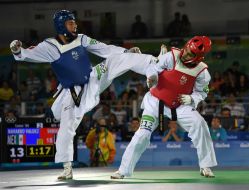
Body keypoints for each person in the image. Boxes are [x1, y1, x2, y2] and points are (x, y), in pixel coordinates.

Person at [10, 10, 155, 180]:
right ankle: (66, 167)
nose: (75, 25)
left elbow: (104, 48)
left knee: (114, 61)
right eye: (71, 23)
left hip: (93, 78)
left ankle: (154, 65)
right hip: (73, 92)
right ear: (61, 25)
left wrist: (125, 52)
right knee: (67, 126)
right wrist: (18, 50)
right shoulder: (49, 46)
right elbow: (27, 55)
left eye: (74, 22)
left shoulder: (81, 38)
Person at [111, 36, 217, 179]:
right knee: (142, 134)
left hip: (180, 105)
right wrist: (153, 76)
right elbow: (153, 68)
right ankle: (123, 171)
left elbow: (202, 92)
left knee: (200, 124)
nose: (185, 54)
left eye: (190, 54)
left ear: (198, 57)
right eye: (186, 49)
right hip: (155, 102)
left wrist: (192, 98)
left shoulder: (202, 72)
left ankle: (206, 166)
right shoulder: (171, 57)